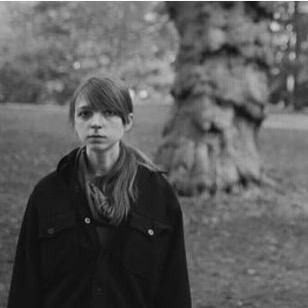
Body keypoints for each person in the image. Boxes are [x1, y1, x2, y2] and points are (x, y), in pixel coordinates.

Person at [7, 74, 192, 308]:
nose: (96, 123)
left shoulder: (158, 195)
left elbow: (174, 288)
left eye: (109, 112)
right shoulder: (48, 194)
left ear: (128, 121)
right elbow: (26, 285)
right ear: (75, 121)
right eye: (85, 113)